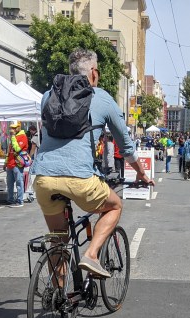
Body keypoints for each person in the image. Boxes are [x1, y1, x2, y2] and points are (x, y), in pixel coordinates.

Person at [31, 48, 153, 279]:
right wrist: (141, 174)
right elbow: (125, 146)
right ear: (94, 73)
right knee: (114, 206)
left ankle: (57, 301)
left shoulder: (48, 95)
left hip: (43, 178)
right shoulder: (101, 97)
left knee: (58, 239)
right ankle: (92, 255)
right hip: (80, 179)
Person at [6, 120, 29, 206]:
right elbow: (9, 151)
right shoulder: (14, 136)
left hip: (17, 163)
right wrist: (6, 162)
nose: (12, 129)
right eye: (11, 128)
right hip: (10, 163)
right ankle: (10, 199)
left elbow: (17, 148)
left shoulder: (22, 136)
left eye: (14, 128)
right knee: (10, 183)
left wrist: (12, 136)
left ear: (19, 127)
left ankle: (20, 200)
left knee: (19, 182)